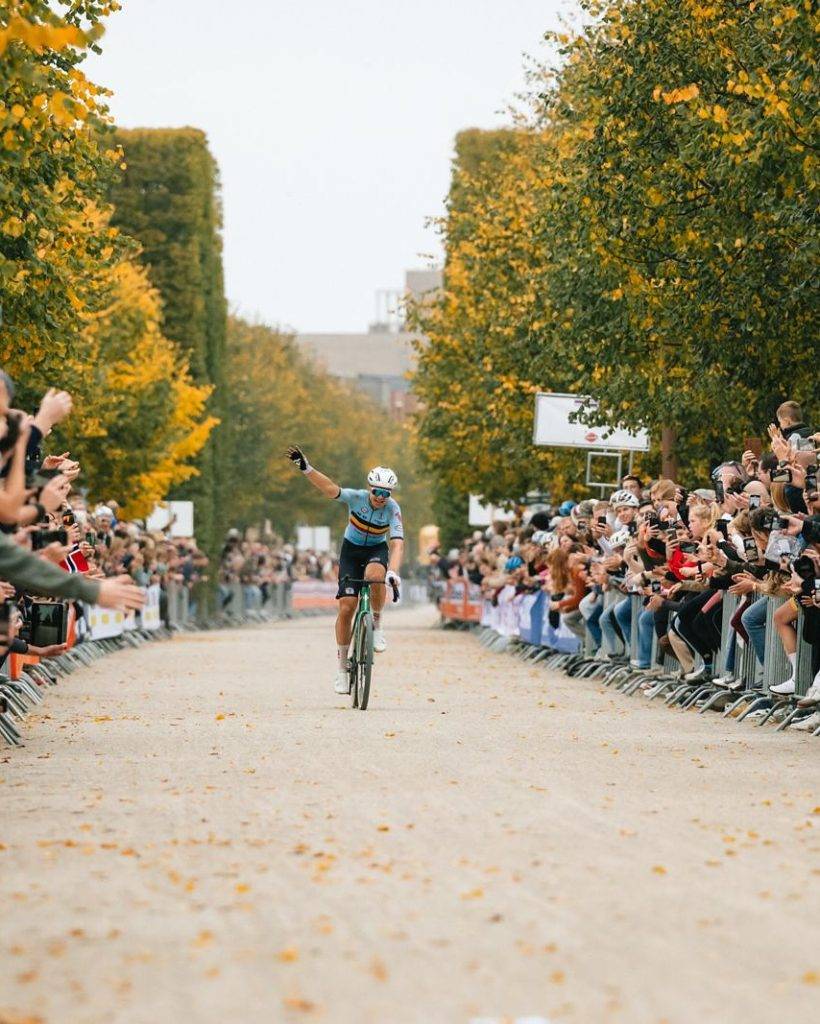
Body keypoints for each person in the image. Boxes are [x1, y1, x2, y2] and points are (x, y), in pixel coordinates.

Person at [285, 445, 404, 694]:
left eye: (386, 493)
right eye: (377, 491)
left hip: (376, 549)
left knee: (376, 576)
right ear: (369, 488)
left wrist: (393, 571)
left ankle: (377, 624)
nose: (381, 496)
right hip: (351, 551)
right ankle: (341, 669)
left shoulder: (393, 509)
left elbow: (397, 543)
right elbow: (330, 488)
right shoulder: (356, 497)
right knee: (347, 607)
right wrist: (307, 468)